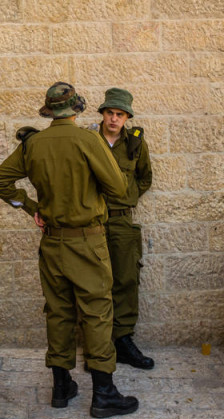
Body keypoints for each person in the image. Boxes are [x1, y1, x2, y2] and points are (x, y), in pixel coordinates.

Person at [0, 82, 138, 418]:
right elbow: (118, 188)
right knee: (98, 312)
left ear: (49, 110)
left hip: (52, 242)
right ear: (77, 107)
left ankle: (61, 386)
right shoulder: (89, 140)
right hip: (88, 240)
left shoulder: (33, 144)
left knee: (58, 311)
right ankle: (104, 393)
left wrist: (30, 207)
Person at [95, 88, 154, 369]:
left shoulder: (135, 144)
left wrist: (126, 197)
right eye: (110, 113)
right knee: (93, 283)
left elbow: (145, 178)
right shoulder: (88, 140)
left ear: (126, 116)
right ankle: (99, 347)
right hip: (91, 221)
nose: (114, 119)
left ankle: (124, 341)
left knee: (126, 280)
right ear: (103, 114)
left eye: (119, 114)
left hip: (120, 220)